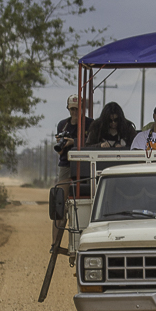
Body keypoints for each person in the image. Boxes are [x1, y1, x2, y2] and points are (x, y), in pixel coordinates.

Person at [52, 95, 93, 243]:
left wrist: (74, 143)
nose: (75, 112)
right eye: (73, 109)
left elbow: (93, 143)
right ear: (68, 109)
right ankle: (54, 242)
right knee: (59, 203)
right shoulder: (63, 125)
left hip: (85, 166)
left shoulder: (90, 124)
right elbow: (60, 151)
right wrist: (63, 144)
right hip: (66, 165)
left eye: (78, 109)